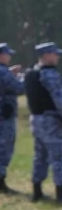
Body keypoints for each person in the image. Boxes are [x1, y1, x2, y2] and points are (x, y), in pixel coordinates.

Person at [24, 41, 62, 202]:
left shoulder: (32, 73)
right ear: (46, 56)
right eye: (54, 54)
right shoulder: (50, 74)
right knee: (57, 156)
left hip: (35, 119)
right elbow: (59, 101)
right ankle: (61, 192)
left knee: (40, 156)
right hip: (50, 121)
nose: (57, 57)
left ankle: (36, 191)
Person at [0, 42, 23, 194]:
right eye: (7, 54)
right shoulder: (3, 72)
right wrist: (23, 77)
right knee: (4, 147)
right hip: (4, 116)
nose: (9, 57)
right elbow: (19, 88)